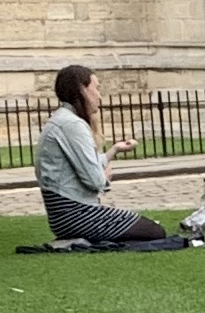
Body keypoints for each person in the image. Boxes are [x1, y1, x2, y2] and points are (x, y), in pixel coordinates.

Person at [34, 66, 167, 246]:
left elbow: (87, 164)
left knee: (146, 229)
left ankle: (93, 240)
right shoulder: (72, 124)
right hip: (77, 214)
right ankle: (92, 243)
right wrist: (104, 178)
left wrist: (114, 150)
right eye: (96, 88)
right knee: (155, 232)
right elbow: (95, 180)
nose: (99, 95)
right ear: (81, 89)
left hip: (65, 215)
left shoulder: (62, 119)